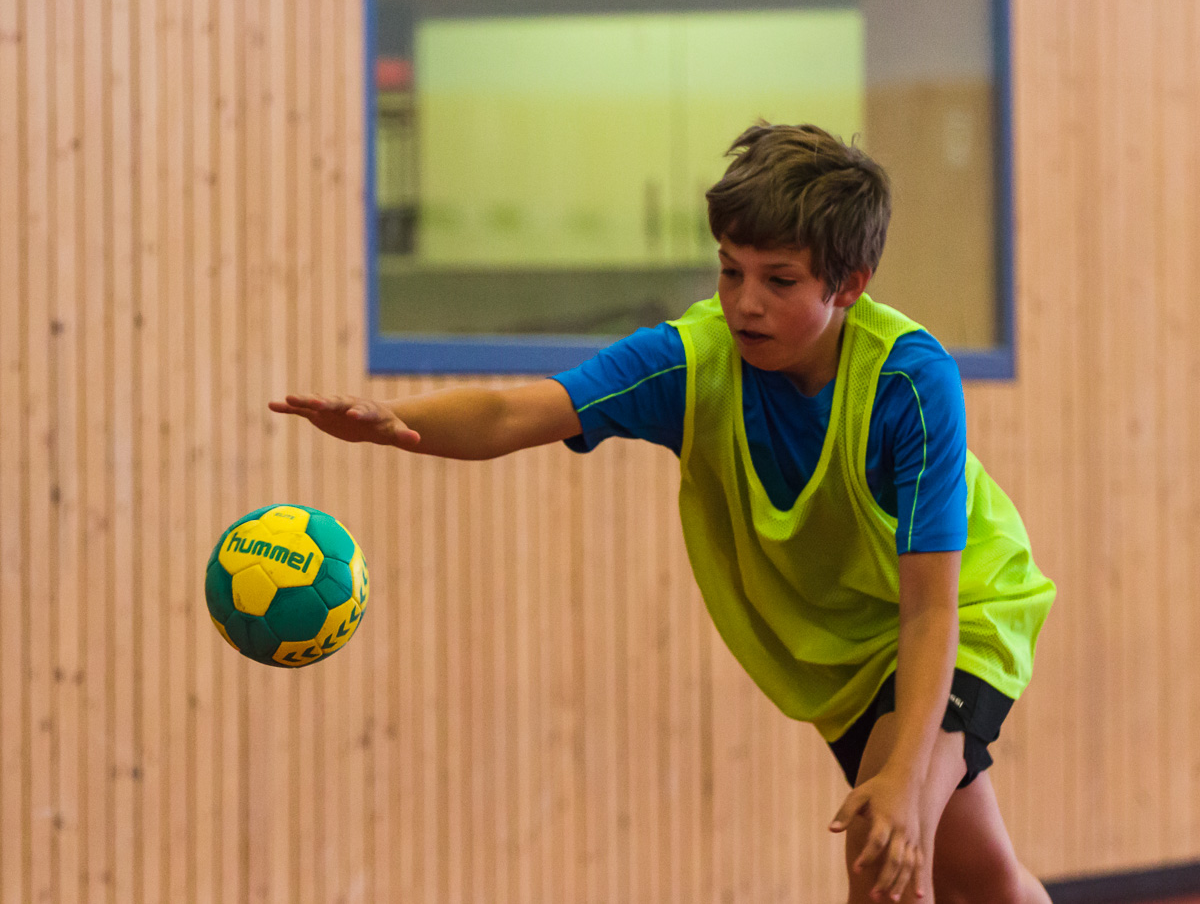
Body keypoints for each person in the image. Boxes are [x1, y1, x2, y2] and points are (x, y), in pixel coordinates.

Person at [270, 123, 1056, 904]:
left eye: (779, 281)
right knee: (985, 878)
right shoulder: (691, 361)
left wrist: (903, 776)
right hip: (850, 656)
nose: (745, 302)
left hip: (960, 615)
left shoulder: (909, 382)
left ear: (847, 284)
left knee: (883, 848)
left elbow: (929, 609)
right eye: (730, 270)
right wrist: (393, 420)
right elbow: (515, 412)